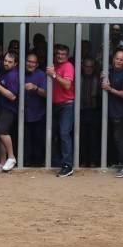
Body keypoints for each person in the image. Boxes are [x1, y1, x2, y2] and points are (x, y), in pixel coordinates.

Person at [47, 44, 75, 177]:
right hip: (55, 105)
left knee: (64, 134)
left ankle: (67, 165)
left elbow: (67, 85)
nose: (60, 56)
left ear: (67, 55)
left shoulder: (68, 66)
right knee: (54, 135)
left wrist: (53, 75)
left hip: (66, 106)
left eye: (63, 54)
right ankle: (57, 162)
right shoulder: (55, 65)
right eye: (58, 53)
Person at [102, 49, 123, 170]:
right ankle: (117, 162)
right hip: (109, 111)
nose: (118, 61)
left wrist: (110, 89)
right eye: (117, 58)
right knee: (111, 137)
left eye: (121, 59)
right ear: (113, 59)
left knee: (119, 138)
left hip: (120, 112)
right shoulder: (109, 72)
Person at [0, 51, 19, 171]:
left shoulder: (13, 75)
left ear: (15, 63)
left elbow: (12, 96)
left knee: (2, 132)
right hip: (2, 108)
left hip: (9, 109)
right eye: (5, 60)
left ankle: (11, 157)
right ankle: (2, 162)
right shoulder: (6, 71)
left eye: (10, 62)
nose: (6, 63)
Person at [24, 52, 48, 166]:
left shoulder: (41, 75)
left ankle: (38, 164)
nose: (30, 64)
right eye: (29, 61)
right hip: (23, 114)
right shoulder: (20, 73)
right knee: (25, 141)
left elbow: (47, 94)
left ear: (37, 64)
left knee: (38, 140)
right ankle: (26, 163)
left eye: (33, 62)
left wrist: (35, 88)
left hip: (38, 114)